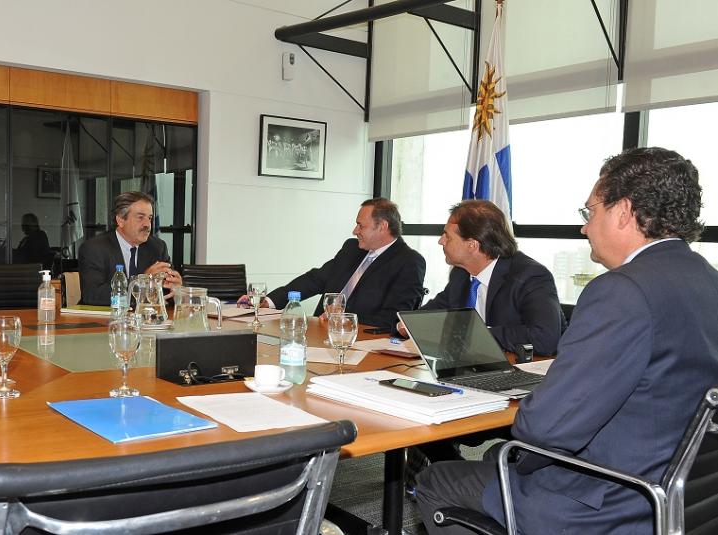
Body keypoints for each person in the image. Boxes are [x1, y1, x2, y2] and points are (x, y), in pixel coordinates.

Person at [415, 147, 718, 534]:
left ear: (623, 212)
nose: (584, 227)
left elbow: (542, 429)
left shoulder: (622, 291)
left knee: (436, 481)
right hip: (677, 498)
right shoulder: (709, 281)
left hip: (601, 503)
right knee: (494, 457)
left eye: (590, 212)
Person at [398, 200, 566, 356]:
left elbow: (545, 339)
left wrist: (476, 335)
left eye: (447, 236)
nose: (441, 241)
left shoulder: (530, 276)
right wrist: (408, 324)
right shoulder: (461, 273)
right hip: (474, 366)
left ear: (472, 245)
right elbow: (436, 310)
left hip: (525, 373)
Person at [242, 198, 426, 330]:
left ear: (382, 227)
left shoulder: (409, 262)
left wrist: (343, 319)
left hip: (361, 341)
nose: (355, 231)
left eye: (361, 226)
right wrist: (270, 301)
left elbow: (394, 317)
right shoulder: (352, 248)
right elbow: (315, 279)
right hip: (320, 332)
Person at [78, 191, 181, 305]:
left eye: (150, 218)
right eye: (140, 217)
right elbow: (92, 295)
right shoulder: (94, 248)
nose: (147, 224)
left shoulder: (157, 247)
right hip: (102, 320)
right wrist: (142, 282)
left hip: (145, 319)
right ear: (121, 220)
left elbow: (165, 294)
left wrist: (175, 289)